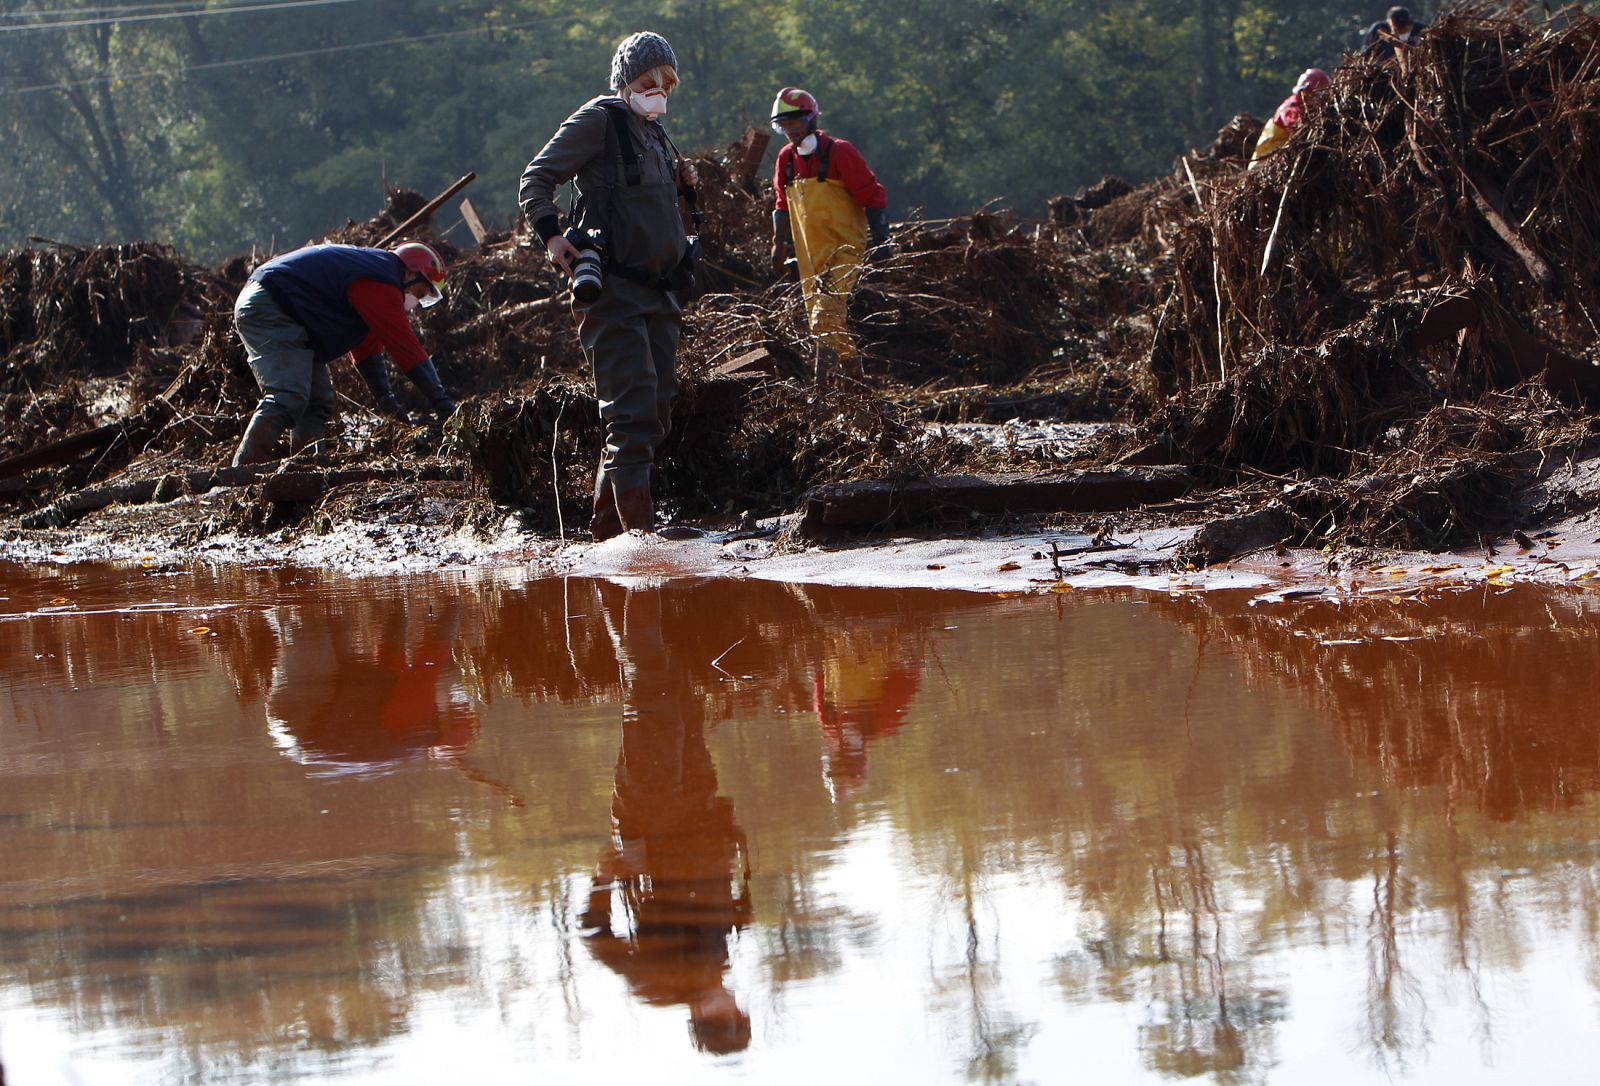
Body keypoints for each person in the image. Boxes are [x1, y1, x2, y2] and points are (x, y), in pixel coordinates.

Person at [519, 31, 698, 540]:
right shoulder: (600, 118)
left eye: (667, 82)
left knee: (654, 410)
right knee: (633, 412)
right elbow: (536, 178)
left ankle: (605, 534)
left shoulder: (655, 133)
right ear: (625, 81)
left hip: (661, 291)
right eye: (648, 81)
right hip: (613, 291)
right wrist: (553, 238)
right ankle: (641, 542)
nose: (658, 90)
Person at [230, 241, 456, 467]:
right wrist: (442, 403)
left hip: (292, 316)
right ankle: (241, 471)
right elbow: (406, 348)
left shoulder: (373, 276)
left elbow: (368, 351)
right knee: (289, 395)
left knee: (317, 401)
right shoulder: (381, 282)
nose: (414, 303)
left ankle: (306, 468)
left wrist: (386, 400)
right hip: (270, 304)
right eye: (418, 293)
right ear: (409, 272)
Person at [768, 87, 889, 385]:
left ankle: (825, 389)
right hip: (811, 256)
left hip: (845, 248)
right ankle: (853, 386)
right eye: (784, 124)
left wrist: (882, 243)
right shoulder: (785, 160)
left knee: (824, 317)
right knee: (821, 323)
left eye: (795, 122)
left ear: (811, 120)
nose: (790, 130)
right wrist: (778, 244)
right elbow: (782, 205)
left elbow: (874, 196)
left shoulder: (840, 152)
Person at [1248, 68, 1331, 170]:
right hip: (1264, 164)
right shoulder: (1292, 108)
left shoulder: (1305, 108)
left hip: (1280, 160)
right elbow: (1298, 130)